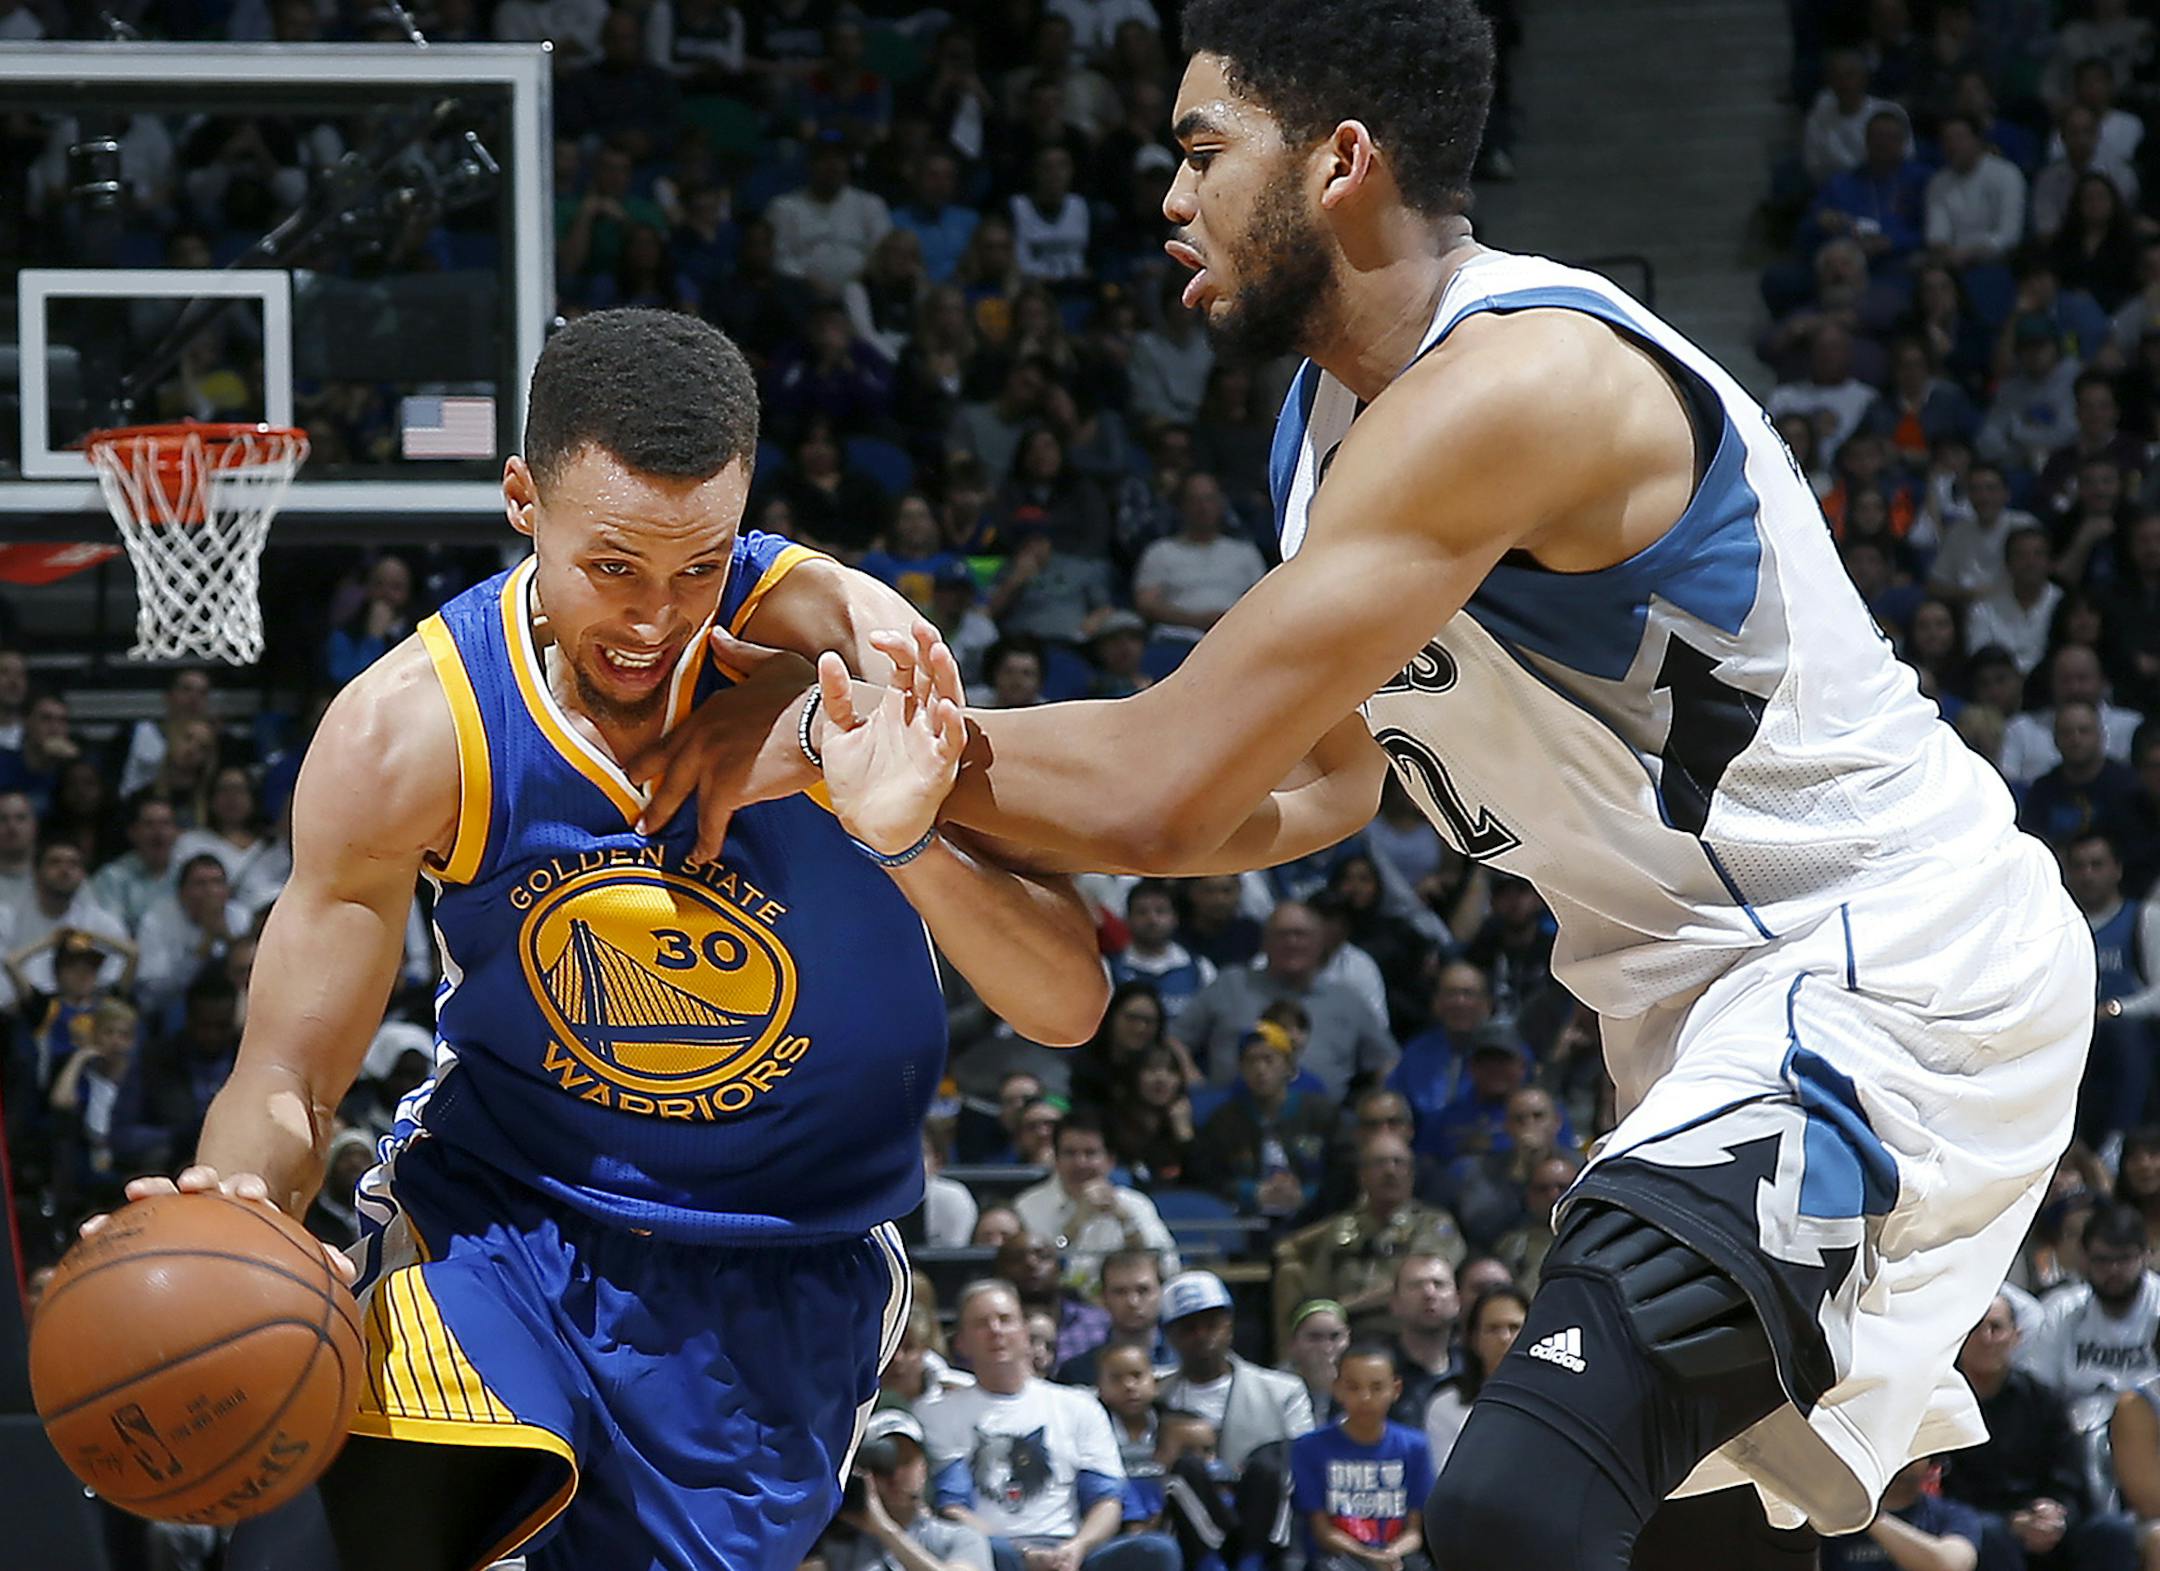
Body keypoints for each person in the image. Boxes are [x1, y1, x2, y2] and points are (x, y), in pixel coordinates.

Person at [667, 4, 2095, 1562]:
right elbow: (1312, 793)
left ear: (1341, 161)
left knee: (1510, 1500)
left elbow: (1154, 784)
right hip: (1705, 1012)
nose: (1170, 197)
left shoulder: (1518, 382)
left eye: (1203, 152)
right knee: (1691, 1544)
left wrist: (825, 728)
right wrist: (905, 778)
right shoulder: (1321, 430)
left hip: (1888, 966)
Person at [101, 310, 1109, 1571]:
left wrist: (898, 830)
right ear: (522, 499)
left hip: (785, 1276)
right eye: (614, 567)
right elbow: (288, 1073)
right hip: (502, 1224)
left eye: (697, 568)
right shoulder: (409, 735)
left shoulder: (856, 660)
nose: (654, 617)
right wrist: (236, 1211)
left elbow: (1069, 1000)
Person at [920, 1280, 1179, 1571]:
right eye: (981, 1323)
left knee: (1157, 1550)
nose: (995, 1330)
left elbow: (1107, 1500)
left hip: (1070, 1548)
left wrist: (1077, 1548)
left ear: (1024, 1332)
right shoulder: (937, 1414)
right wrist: (1024, 1553)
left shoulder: (1078, 1405)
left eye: (1005, 1320)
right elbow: (952, 1508)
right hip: (992, 1551)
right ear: (962, 1342)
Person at [1942, 1293, 2136, 1571]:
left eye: (1996, 1328)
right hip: (1981, 1523)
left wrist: (2054, 1511)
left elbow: (2069, 1478)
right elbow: (1944, 1490)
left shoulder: (2044, 1400)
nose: (1985, 1338)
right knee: (1989, 1532)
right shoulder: (1942, 1403)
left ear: (2015, 1337)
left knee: (2111, 1532)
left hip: (2045, 1521)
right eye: (1974, 1328)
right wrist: (2012, 1521)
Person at [1155, 1269, 1314, 1564]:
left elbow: (1305, 1461)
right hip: (1186, 1529)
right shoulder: (1154, 1395)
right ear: (1170, 1336)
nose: (1202, 1335)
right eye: (1189, 1327)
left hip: (1264, 1524)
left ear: (1229, 1324)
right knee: (1184, 1469)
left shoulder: (1283, 1391)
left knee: (1274, 1466)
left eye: (1211, 1323)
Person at [1290, 1341, 1434, 1571]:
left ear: (1395, 1390)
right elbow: (1322, 1531)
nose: (1365, 1398)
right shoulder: (1309, 1447)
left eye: (1377, 1388)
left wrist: (1390, 1554)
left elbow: (1414, 1532)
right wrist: (1369, 1556)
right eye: (1353, 1387)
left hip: (1397, 1557)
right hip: (1338, 1558)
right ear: (1337, 1389)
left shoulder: (1415, 1446)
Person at [2019, 1206, 2160, 1435]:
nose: (2113, 1270)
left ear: (2146, 1255)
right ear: (2084, 1258)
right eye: (2102, 1260)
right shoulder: (2062, 1308)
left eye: (2124, 1259)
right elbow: (2038, 1390)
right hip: (2074, 1434)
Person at [1013, 1110, 1181, 1294]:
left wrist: (1127, 1222)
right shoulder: (1027, 1206)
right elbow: (1029, 1275)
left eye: (1090, 1153)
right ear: (1056, 1158)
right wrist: (1074, 1226)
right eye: (1070, 1153)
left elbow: (1170, 1268)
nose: (1080, 1163)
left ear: (1110, 1161)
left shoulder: (1136, 1204)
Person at [823, 1409, 994, 1571]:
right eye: (881, 1465)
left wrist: (885, 1530)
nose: (894, 1475)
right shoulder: (835, 1542)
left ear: (923, 1469)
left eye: (905, 1461)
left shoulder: (960, 1538)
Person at [1422, 1284, 1529, 1468]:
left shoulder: (1557, 1402)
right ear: (1474, 1339)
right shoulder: (1446, 1406)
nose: (1505, 1338)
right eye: (1493, 1329)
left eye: (1514, 1327)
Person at [1815, 1459, 1983, 1571]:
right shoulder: (1831, 1514)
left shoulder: (1954, 1514)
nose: (1905, 1457)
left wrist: (1869, 1516)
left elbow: (1951, 1565)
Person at [1056, 1246, 1172, 1386]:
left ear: (1162, 1292)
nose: (1132, 1302)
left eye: (1143, 1290)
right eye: (1120, 1292)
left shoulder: (1187, 1359)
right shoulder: (1078, 1372)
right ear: (1103, 1298)